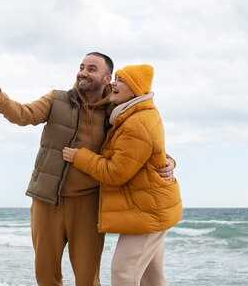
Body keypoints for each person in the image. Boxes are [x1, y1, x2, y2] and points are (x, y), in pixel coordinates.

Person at [0, 53, 175, 286]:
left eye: (92, 69)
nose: (83, 72)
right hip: (46, 200)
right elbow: (23, 114)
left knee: (87, 278)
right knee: (46, 275)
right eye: (82, 67)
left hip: (88, 203)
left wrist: (169, 161)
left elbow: (141, 141)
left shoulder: (114, 111)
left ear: (107, 78)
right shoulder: (56, 99)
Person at [63, 64, 183, 286]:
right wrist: (170, 160)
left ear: (135, 88)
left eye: (120, 80)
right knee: (151, 278)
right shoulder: (131, 114)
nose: (113, 84)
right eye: (114, 78)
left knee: (123, 273)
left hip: (148, 211)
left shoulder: (137, 122)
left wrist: (80, 157)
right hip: (152, 208)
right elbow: (151, 153)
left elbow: (116, 172)